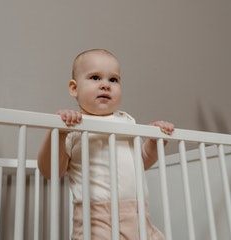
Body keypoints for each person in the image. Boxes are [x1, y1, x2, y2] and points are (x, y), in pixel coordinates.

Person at [37, 49, 174, 239]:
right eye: (95, 77)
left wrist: (156, 140)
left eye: (113, 80)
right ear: (74, 89)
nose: (105, 85)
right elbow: (50, 171)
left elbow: (141, 161)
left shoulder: (127, 122)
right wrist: (58, 133)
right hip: (97, 219)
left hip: (139, 215)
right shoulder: (72, 125)